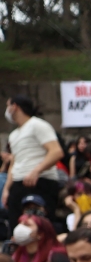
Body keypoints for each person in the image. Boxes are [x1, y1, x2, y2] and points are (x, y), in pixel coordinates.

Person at [2, 95, 64, 223]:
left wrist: (36, 171)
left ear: (14, 107)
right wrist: (7, 189)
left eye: (8, 106)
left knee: (40, 225)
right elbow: (15, 162)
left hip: (40, 181)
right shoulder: (14, 135)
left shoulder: (37, 125)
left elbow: (56, 151)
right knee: (16, 224)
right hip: (18, 182)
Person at [10, 206, 75, 262]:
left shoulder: (56, 257)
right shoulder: (16, 255)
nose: (20, 228)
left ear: (40, 234)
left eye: (27, 225)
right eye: (20, 223)